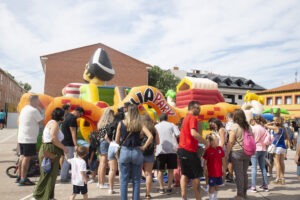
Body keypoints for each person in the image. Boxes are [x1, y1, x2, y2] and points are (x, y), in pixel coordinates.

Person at [115, 104, 153, 200]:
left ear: (128, 112)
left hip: (124, 151)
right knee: (136, 180)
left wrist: (117, 151)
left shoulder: (121, 123)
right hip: (137, 151)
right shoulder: (140, 123)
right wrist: (144, 147)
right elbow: (150, 136)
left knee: (124, 180)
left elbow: (116, 141)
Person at [33, 108, 69, 199]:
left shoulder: (50, 123)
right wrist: (64, 148)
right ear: (60, 116)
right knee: (47, 174)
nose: (64, 116)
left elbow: (45, 138)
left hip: (47, 148)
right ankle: (37, 196)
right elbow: (53, 139)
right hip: (51, 150)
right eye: (63, 115)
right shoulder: (55, 124)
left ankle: (49, 196)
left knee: (51, 174)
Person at [177, 101, 206, 200]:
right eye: (198, 108)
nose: (199, 110)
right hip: (189, 150)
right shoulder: (193, 118)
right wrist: (205, 141)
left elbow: (188, 135)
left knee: (184, 174)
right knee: (196, 175)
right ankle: (198, 198)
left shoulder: (185, 118)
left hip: (182, 149)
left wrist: (197, 145)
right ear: (192, 108)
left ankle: (184, 198)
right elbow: (193, 133)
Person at [226, 109, 252, 200]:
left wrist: (227, 153)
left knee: (239, 174)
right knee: (244, 173)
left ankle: (239, 195)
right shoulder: (248, 127)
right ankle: (244, 193)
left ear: (235, 117)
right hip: (247, 152)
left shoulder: (234, 127)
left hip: (237, 152)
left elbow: (231, 141)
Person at [17, 95, 43, 186]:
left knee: (22, 156)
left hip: (22, 137)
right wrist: (40, 111)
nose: (38, 103)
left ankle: (20, 176)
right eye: (38, 101)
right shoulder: (34, 110)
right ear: (34, 101)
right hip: (29, 138)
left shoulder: (24, 109)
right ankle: (24, 179)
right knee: (27, 158)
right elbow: (41, 122)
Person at [154, 113, 180, 194]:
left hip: (160, 150)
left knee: (160, 170)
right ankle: (169, 187)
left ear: (160, 119)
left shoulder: (156, 126)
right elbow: (178, 134)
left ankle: (161, 188)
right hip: (172, 150)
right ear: (167, 118)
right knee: (170, 170)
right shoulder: (172, 125)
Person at [61, 107, 85, 182]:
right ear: (77, 111)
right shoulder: (72, 119)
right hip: (69, 142)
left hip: (65, 141)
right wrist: (76, 144)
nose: (79, 117)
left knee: (67, 159)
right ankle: (63, 177)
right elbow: (73, 132)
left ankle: (65, 174)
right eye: (80, 115)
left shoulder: (67, 116)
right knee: (68, 160)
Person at [265, 117, 288, 184]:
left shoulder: (275, 128)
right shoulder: (284, 128)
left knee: (277, 162)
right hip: (283, 146)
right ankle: (282, 177)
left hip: (277, 146)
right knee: (282, 162)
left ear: (277, 122)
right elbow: (286, 137)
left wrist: (272, 122)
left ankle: (277, 178)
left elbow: (265, 125)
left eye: (275, 121)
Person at [141, 114, 160, 199]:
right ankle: (148, 194)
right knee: (149, 174)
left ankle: (136, 194)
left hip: (140, 152)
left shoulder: (140, 128)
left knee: (137, 173)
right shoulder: (154, 129)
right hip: (150, 153)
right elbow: (158, 142)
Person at [249, 115, 269, 192]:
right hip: (263, 149)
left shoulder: (253, 128)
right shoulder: (264, 129)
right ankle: (265, 185)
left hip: (255, 149)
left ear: (254, 120)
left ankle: (253, 187)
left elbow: (251, 139)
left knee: (254, 168)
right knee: (263, 168)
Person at [106, 110, 125, 194]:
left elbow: (106, 136)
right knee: (121, 170)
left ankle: (111, 188)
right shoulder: (123, 125)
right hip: (120, 147)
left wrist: (111, 143)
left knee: (112, 169)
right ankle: (121, 189)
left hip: (111, 146)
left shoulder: (111, 124)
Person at [203, 134, 225, 200]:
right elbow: (205, 162)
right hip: (212, 173)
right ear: (211, 141)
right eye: (216, 140)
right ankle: (211, 198)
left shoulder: (220, 149)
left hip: (219, 172)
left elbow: (223, 160)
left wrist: (224, 169)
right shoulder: (208, 150)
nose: (218, 141)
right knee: (211, 186)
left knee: (217, 186)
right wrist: (205, 170)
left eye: (218, 139)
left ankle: (215, 197)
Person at [97, 108, 114, 189]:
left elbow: (101, 135)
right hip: (105, 143)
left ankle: (100, 182)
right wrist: (110, 143)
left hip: (100, 142)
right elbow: (106, 136)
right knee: (103, 164)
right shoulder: (108, 124)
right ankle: (102, 183)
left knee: (101, 164)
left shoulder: (101, 123)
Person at [208, 118, 227, 183]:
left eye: (214, 123)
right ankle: (218, 180)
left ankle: (223, 181)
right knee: (217, 166)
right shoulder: (214, 130)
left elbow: (222, 142)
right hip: (216, 150)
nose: (212, 125)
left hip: (221, 150)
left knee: (222, 166)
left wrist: (219, 151)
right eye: (211, 124)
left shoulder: (221, 129)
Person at [225, 112, 234, 183]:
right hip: (236, 145)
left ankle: (230, 176)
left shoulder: (229, 124)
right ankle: (231, 175)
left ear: (227, 117)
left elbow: (227, 135)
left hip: (230, 144)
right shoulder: (236, 123)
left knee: (229, 161)